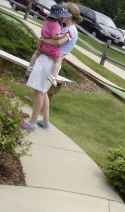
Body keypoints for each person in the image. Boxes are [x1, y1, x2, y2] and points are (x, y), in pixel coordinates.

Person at [25, 2, 82, 133]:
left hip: (49, 61)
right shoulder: (66, 28)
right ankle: (45, 121)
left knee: (39, 92)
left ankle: (32, 123)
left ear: (70, 15)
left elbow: (57, 42)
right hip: (49, 60)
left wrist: (43, 40)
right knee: (43, 91)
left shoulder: (70, 29)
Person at [27, 4, 73, 87]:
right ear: (59, 17)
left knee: (36, 54)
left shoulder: (47, 21)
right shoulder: (56, 25)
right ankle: (53, 76)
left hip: (42, 44)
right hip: (51, 47)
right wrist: (63, 35)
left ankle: (30, 67)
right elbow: (55, 36)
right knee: (58, 60)